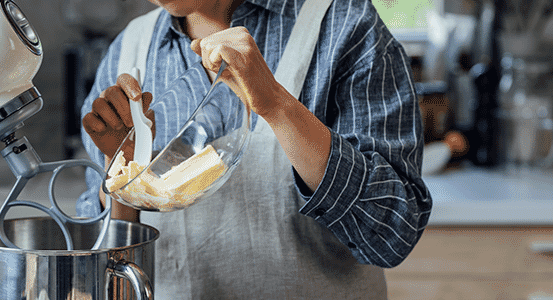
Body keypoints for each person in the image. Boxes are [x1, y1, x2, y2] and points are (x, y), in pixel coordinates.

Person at [78, 0, 432, 298]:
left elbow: (392, 236)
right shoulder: (129, 49)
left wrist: (278, 106)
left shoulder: (342, 27)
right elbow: (105, 264)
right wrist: (120, 171)